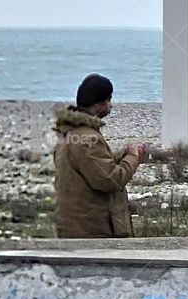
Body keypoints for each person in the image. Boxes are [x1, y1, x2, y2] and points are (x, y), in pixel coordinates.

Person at [52, 73, 148, 238]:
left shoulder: (70, 133)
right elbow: (110, 180)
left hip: (75, 228)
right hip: (92, 231)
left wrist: (119, 158)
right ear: (97, 104)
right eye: (108, 100)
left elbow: (91, 169)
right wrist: (133, 157)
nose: (110, 106)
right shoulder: (88, 139)